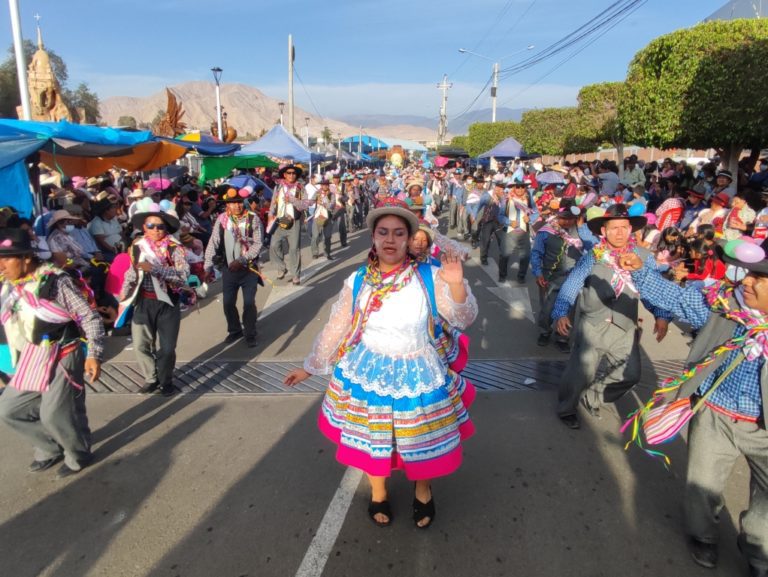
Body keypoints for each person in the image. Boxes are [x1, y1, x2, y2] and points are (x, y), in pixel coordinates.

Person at [283, 198, 478, 529]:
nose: (390, 240)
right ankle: (378, 493)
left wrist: (456, 283)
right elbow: (339, 324)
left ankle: (423, 492)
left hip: (419, 373)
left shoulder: (431, 275)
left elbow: (463, 317)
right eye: (383, 232)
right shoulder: (358, 280)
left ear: (409, 238)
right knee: (375, 439)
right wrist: (312, 365)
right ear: (373, 237)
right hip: (368, 371)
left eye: (399, 233)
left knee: (422, 439)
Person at [618, 245, 768, 577]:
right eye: (750, 273)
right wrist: (641, 269)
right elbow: (675, 298)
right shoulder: (723, 307)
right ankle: (703, 537)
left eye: (760, 277)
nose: (747, 282)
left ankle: (759, 550)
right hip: (715, 414)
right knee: (703, 484)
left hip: (764, 431)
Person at [552, 204, 672, 429]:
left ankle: (593, 397)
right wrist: (561, 312)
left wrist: (661, 315)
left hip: (625, 324)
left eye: (624, 227)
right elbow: (573, 283)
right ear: (604, 232)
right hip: (592, 323)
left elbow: (654, 290)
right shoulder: (594, 255)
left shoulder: (643, 257)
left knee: (631, 374)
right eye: (614, 228)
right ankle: (567, 407)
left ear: (631, 230)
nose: (620, 232)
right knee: (581, 371)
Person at [0, 228, 104, 478]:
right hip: (32, 355)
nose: (1, 265)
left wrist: (94, 354)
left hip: (63, 352)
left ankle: (78, 454)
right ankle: (50, 447)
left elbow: (89, 316)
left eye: (6, 258)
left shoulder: (55, 281)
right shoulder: (9, 286)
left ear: (26, 258)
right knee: (9, 409)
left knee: (55, 412)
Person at [120, 199, 189, 397]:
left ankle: (166, 380)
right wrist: (123, 294)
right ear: (144, 227)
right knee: (141, 344)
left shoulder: (176, 249)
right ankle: (151, 378)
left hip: (168, 303)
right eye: (151, 226)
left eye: (160, 226)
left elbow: (182, 277)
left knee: (167, 349)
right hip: (143, 302)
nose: (156, 230)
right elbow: (131, 272)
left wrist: (156, 269)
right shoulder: (137, 247)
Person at [203, 187, 264, 347]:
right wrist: (207, 266)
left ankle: (250, 333)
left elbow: (258, 244)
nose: (236, 206)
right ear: (227, 205)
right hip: (229, 268)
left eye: (238, 202)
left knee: (249, 302)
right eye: (232, 203)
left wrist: (242, 260)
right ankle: (235, 330)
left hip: (249, 268)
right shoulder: (222, 219)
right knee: (228, 302)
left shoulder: (253, 218)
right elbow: (214, 242)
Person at [530, 204, 587, 352]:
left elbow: (591, 248)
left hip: (572, 276)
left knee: (569, 309)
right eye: (564, 218)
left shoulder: (579, 231)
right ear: (557, 216)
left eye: (571, 219)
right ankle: (545, 331)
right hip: (550, 276)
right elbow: (536, 253)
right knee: (547, 308)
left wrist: (581, 229)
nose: (567, 222)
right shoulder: (546, 231)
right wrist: (538, 273)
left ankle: (562, 337)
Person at [269, 165, 312, 285]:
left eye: (293, 173)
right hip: (279, 220)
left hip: (294, 221)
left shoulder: (300, 188)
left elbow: (305, 204)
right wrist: (270, 214)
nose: (291, 175)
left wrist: (293, 200)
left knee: (294, 249)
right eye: (289, 173)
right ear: (284, 174)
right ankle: (281, 267)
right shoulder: (278, 187)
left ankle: (295, 275)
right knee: (273, 245)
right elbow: (273, 202)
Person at [497, 181, 538, 284]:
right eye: (518, 187)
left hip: (524, 232)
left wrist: (530, 218)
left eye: (522, 187)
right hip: (510, 232)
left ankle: (521, 276)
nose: (520, 189)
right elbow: (500, 216)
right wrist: (509, 222)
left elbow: (536, 212)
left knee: (526, 256)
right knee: (505, 255)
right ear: (514, 188)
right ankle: (502, 275)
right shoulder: (506, 199)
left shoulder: (528, 199)